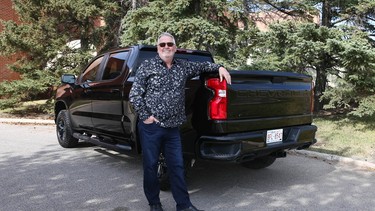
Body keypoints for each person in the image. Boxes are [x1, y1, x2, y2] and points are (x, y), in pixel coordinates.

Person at [129, 32, 231, 211]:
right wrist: (146, 117)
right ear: (158, 48)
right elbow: (135, 94)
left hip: (173, 129)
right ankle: (154, 203)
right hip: (152, 127)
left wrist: (220, 67)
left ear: (175, 48)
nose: (166, 47)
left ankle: (183, 205)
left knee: (177, 166)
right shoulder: (147, 66)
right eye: (162, 45)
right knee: (151, 167)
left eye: (170, 44)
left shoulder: (183, 67)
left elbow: (203, 67)